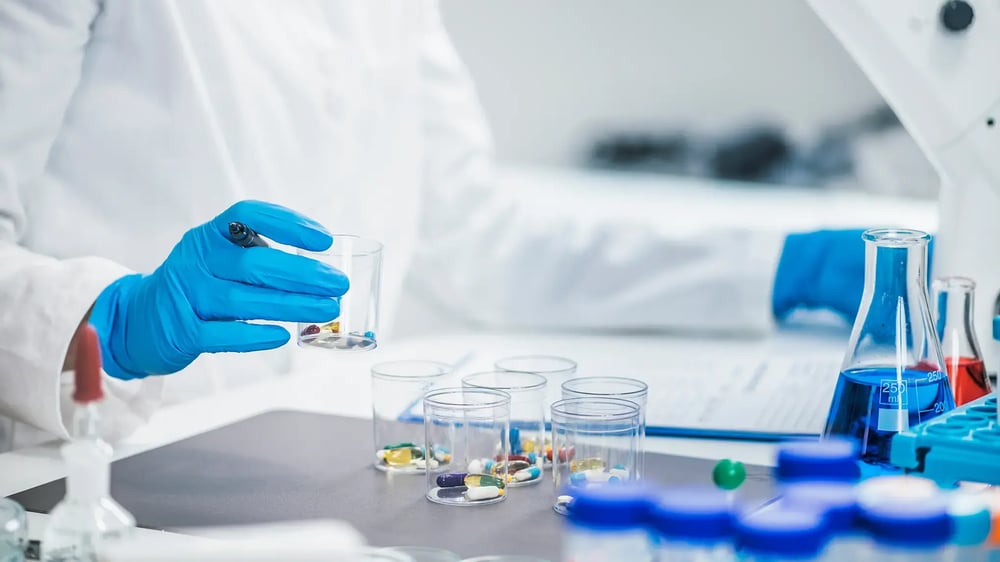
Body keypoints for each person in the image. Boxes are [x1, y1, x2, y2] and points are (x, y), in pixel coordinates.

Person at [0, 1, 867, 450]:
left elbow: (478, 236)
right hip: (99, 452)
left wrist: (783, 266)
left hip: (311, 441)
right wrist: (108, 319)